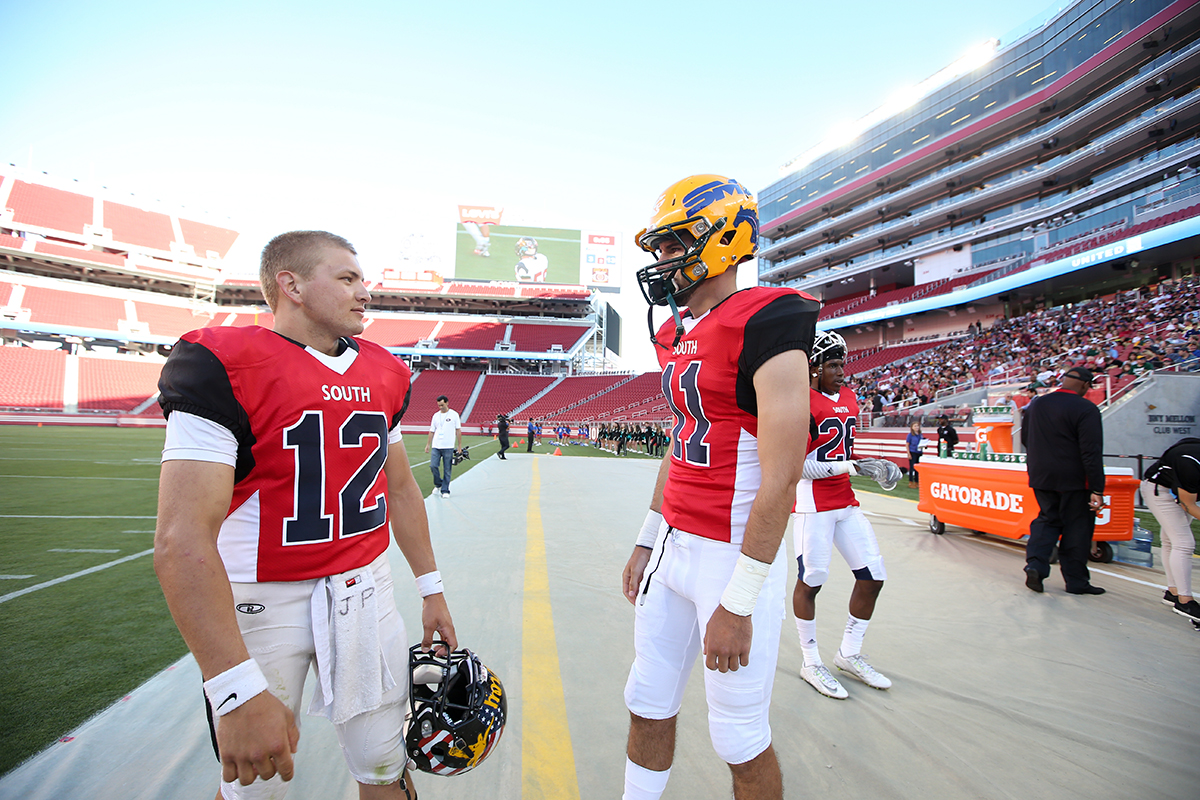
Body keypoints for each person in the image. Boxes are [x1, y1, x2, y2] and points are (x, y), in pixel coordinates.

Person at [154, 230, 457, 800]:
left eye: (362, 279)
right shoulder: (222, 363)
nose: (364, 292)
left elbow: (400, 490)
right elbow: (181, 537)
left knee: (385, 764)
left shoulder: (387, 372)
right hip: (262, 598)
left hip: (366, 589)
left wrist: (431, 587)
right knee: (255, 783)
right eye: (346, 279)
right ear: (290, 285)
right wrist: (234, 685)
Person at [620, 174, 819, 800]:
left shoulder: (767, 320)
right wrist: (648, 537)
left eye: (674, 243)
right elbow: (683, 441)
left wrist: (741, 598)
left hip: (731, 553)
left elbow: (783, 477)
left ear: (723, 237)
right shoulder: (678, 332)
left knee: (738, 736)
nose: (662, 260)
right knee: (646, 701)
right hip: (673, 545)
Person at [792, 330, 897, 701]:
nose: (841, 371)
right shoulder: (800, 401)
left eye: (842, 364)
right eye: (833, 365)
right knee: (812, 580)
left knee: (873, 576)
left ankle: (849, 653)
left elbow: (842, 453)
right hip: (813, 503)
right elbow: (799, 467)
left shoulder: (849, 397)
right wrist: (853, 467)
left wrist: (874, 465)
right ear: (814, 368)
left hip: (844, 502)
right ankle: (810, 660)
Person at [1021, 365, 1107, 595]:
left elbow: (1026, 438)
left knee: (1047, 520)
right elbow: (1091, 451)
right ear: (1086, 386)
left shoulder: (1037, 403)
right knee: (1077, 527)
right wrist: (1097, 488)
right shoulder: (1086, 408)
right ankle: (1076, 581)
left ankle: (1035, 566)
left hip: (1041, 474)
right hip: (1074, 478)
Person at [1140, 437, 1200, 621]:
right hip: (1161, 491)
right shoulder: (1190, 463)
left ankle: (1173, 592)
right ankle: (1184, 601)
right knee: (1183, 543)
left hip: (1178, 487)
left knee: (1170, 540)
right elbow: (1188, 503)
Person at [424, 395, 462, 498]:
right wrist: (428, 444)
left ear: (447, 403)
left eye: (442, 405)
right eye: (439, 405)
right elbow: (432, 430)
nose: (440, 407)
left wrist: (459, 446)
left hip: (448, 446)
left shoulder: (454, 415)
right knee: (433, 466)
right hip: (436, 446)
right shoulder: (435, 416)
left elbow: (458, 430)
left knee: (447, 469)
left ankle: (445, 490)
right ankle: (438, 484)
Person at [906, 420, 926, 489]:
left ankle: (917, 482)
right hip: (913, 452)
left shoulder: (920, 435)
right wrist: (908, 454)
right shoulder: (910, 435)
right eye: (915, 426)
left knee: (918, 468)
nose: (917, 427)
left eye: (917, 426)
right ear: (912, 427)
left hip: (919, 452)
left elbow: (922, 442)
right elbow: (907, 444)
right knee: (912, 467)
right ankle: (911, 481)